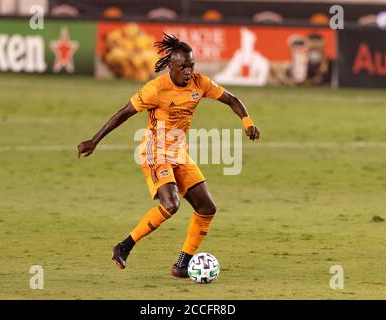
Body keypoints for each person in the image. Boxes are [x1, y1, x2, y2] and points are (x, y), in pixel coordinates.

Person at [77, 33, 260, 278]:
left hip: (179, 153)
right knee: (170, 204)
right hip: (155, 151)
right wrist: (95, 140)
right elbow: (124, 113)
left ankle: (182, 264)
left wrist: (247, 122)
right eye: (183, 66)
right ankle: (124, 246)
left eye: (191, 65)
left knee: (207, 207)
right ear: (171, 66)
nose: (188, 71)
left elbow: (232, 99)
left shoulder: (200, 83)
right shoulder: (156, 89)